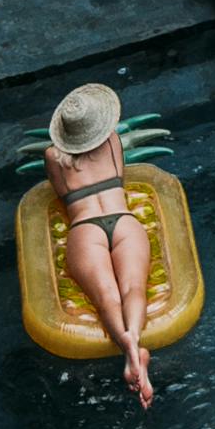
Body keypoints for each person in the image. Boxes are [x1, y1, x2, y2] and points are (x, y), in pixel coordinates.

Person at [44, 83, 155, 407]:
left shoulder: (53, 156)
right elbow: (119, 176)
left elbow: (61, 195)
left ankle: (129, 350)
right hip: (124, 221)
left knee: (106, 297)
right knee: (134, 288)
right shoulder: (113, 141)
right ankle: (136, 344)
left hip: (85, 227)